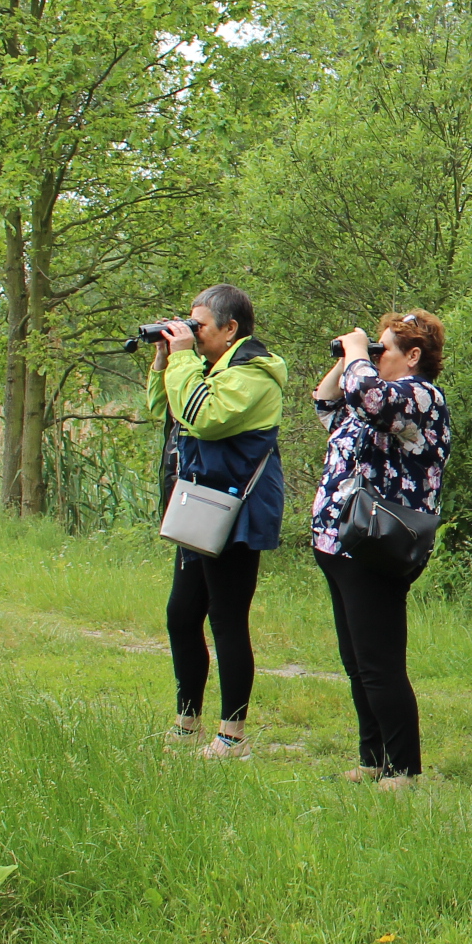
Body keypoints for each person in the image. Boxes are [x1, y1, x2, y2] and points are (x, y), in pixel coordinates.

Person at [311, 311, 451, 790]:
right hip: (341, 545)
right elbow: (327, 404)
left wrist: (356, 355)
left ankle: (403, 770)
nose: (374, 358)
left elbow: (370, 398)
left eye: (383, 350)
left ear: (413, 357)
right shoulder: (375, 397)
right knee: (358, 664)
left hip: (378, 549)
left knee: (380, 665)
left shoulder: (420, 398)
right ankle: (373, 759)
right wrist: (349, 354)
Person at [146, 286, 288, 759]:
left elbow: (202, 418)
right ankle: (187, 721)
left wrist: (184, 359)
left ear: (231, 329)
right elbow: (163, 410)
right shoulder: (209, 367)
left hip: (236, 513)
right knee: (181, 615)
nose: (192, 332)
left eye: (199, 325)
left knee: (227, 620)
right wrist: (167, 360)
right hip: (200, 506)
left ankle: (233, 735)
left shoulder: (253, 375)